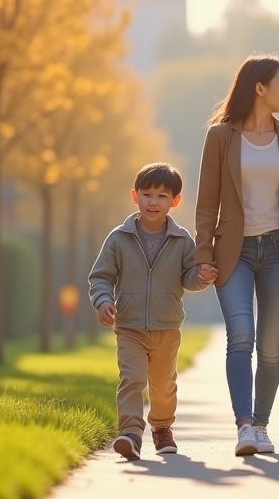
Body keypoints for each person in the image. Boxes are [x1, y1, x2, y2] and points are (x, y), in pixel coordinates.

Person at [195, 54, 279, 456]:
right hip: (235, 252)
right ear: (259, 89)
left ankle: (262, 425)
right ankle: (244, 425)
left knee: (270, 345)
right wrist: (203, 253)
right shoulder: (220, 137)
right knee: (241, 337)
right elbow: (206, 203)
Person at [89, 162, 217, 460]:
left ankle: (161, 428)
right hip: (130, 325)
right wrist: (103, 300)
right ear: (135, 196)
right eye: (147, 194)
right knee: (132, 378)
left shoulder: (182, 239)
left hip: (166, 326)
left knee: (163, 385)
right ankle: (130, 433)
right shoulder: (119, 238)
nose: (153, 201)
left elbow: (188, 277)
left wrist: (202, 277)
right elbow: (101, 276)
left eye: (162, 196)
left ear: (175, 201)